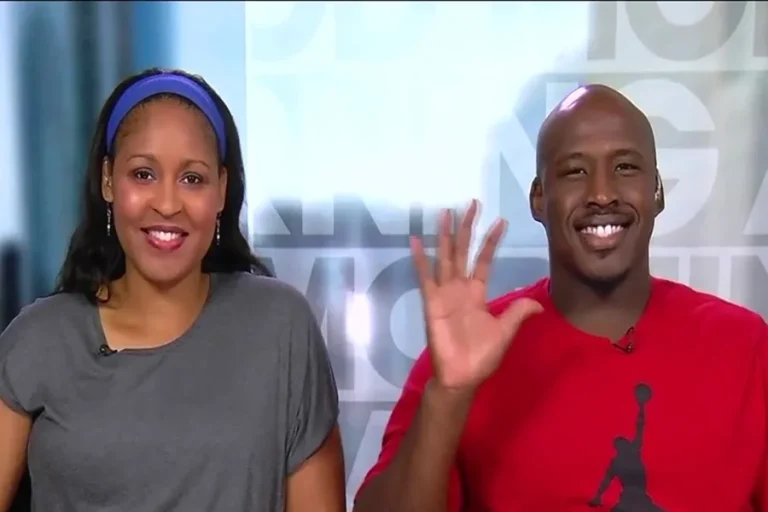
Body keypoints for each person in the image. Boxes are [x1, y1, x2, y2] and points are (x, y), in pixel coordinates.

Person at [353, 84, 768, 511]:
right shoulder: (466, 354)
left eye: (625, 167)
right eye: (575, 171)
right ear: (538, 197)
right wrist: (448, 395)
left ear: (657, 190)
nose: (602, 194)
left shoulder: (744, 345)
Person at [0, 68, 345, 512]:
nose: (167, 204)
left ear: (222, 190)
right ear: (108, 180)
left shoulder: (281, 327)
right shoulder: (40, 339)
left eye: (192, 179)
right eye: (143, 174)